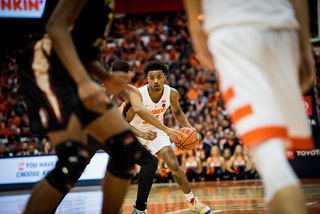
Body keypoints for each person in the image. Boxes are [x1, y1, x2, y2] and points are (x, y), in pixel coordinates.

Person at [184, 0, 315, 213]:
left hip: (234, 29)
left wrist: (196, 30)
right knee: (274, 149)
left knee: (270, 158)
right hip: (283, 28)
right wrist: (304, 43)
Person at [19, 1, 143, 213]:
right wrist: (84, 82)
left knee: (126, 148)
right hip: (47, 62)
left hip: (71, 65)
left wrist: (105, 77)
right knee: (72, 157)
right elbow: (56, 27)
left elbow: (81, 51)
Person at [127, 60, 211, 214]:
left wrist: (188, 127)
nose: (155, 81)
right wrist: (141, 133)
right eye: (151, 77)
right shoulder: (139, 94)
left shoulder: (172, 93)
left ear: (165, 77)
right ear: (147, 78)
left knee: (173, 163)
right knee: (126, 169)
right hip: (135, 132)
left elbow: (177, 112)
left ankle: (192, 201)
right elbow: (124, 121)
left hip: (156, 130)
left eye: (159, 77)